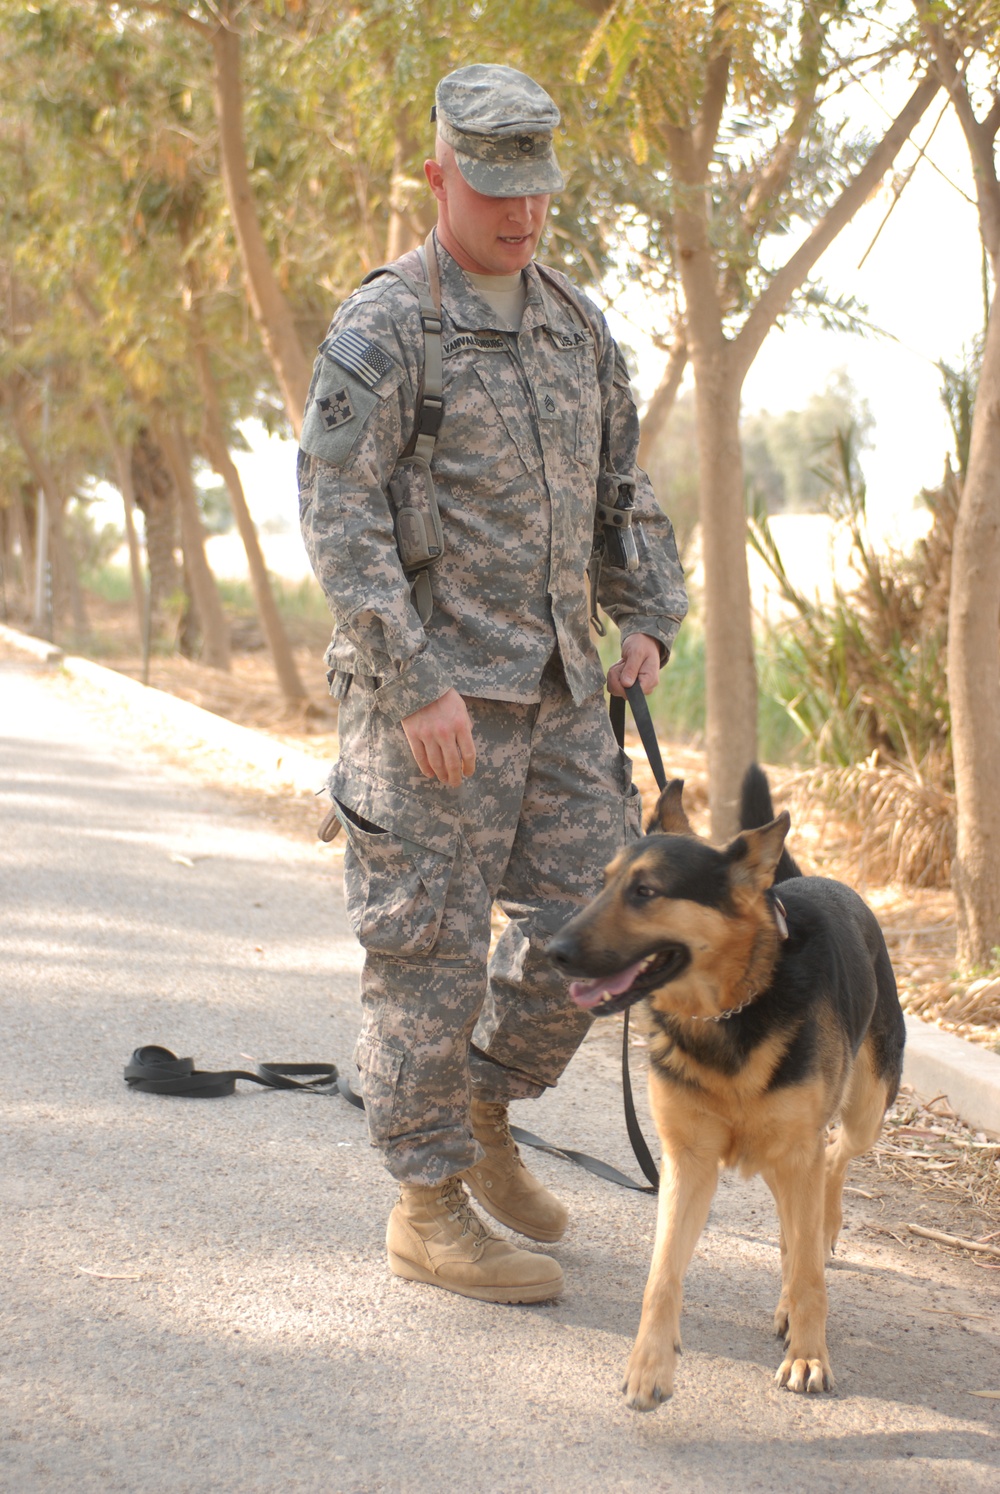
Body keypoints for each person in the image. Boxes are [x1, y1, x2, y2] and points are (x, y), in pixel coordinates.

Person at [298, 63, 687, 1304]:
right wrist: (413, 681)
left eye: (536, 191)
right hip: (432, 715)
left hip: (565, 696)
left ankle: (482, 1107)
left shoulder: (578, 328)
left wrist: (650, 619)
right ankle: (426, 1209)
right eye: (493, 188)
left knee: (608, 931)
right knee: (428, 952)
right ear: (438, 178)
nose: (520, 214)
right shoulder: (383, 328)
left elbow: (622, 492)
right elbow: (337, 511)